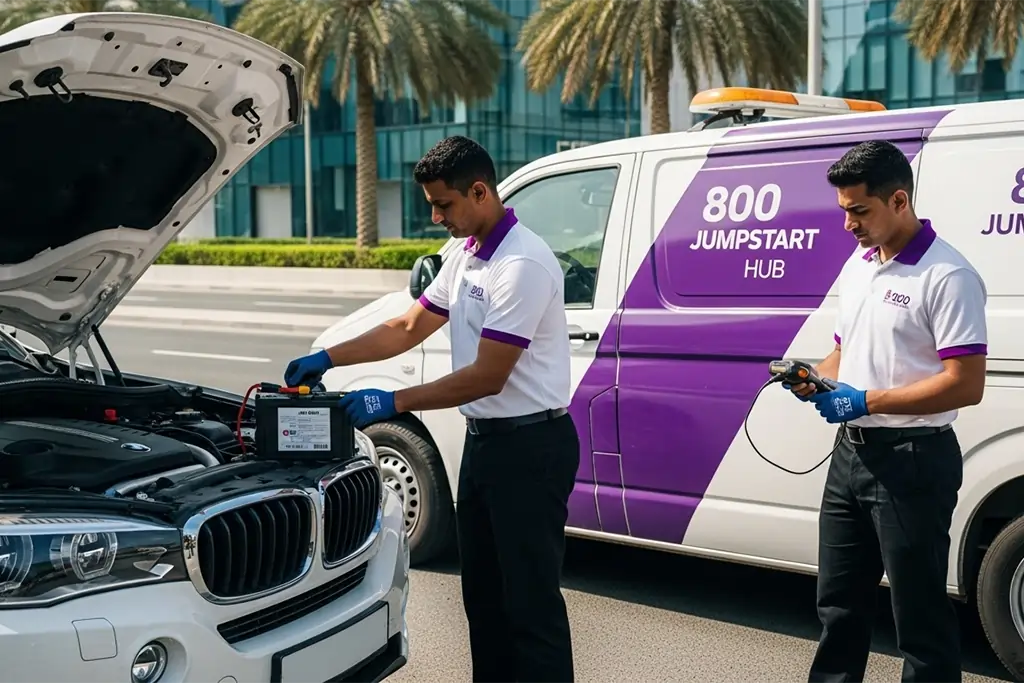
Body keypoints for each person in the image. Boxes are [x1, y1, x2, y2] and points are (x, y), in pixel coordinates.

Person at [282, 135, 578, 683]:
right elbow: (410, 325)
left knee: (529, 608)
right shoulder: (466, 256)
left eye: (443, 204)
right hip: (487, 444)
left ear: (480, 191)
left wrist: (393, 399)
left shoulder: (522, 264)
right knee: (484, 602)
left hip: (532, 449)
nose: (436, 217)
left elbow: (489, 375)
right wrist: (327, 356)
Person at [786, 140, 987, 683]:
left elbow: (966, 385)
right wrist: (816, 379)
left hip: (913, 461)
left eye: (859, 210)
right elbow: (844, 349)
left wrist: (866, 400)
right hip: (850, 459)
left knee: (918, 618)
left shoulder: (948, 276)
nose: (848, 223)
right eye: (844, 211)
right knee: (838, 608)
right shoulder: (860, 264)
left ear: (899, 200)